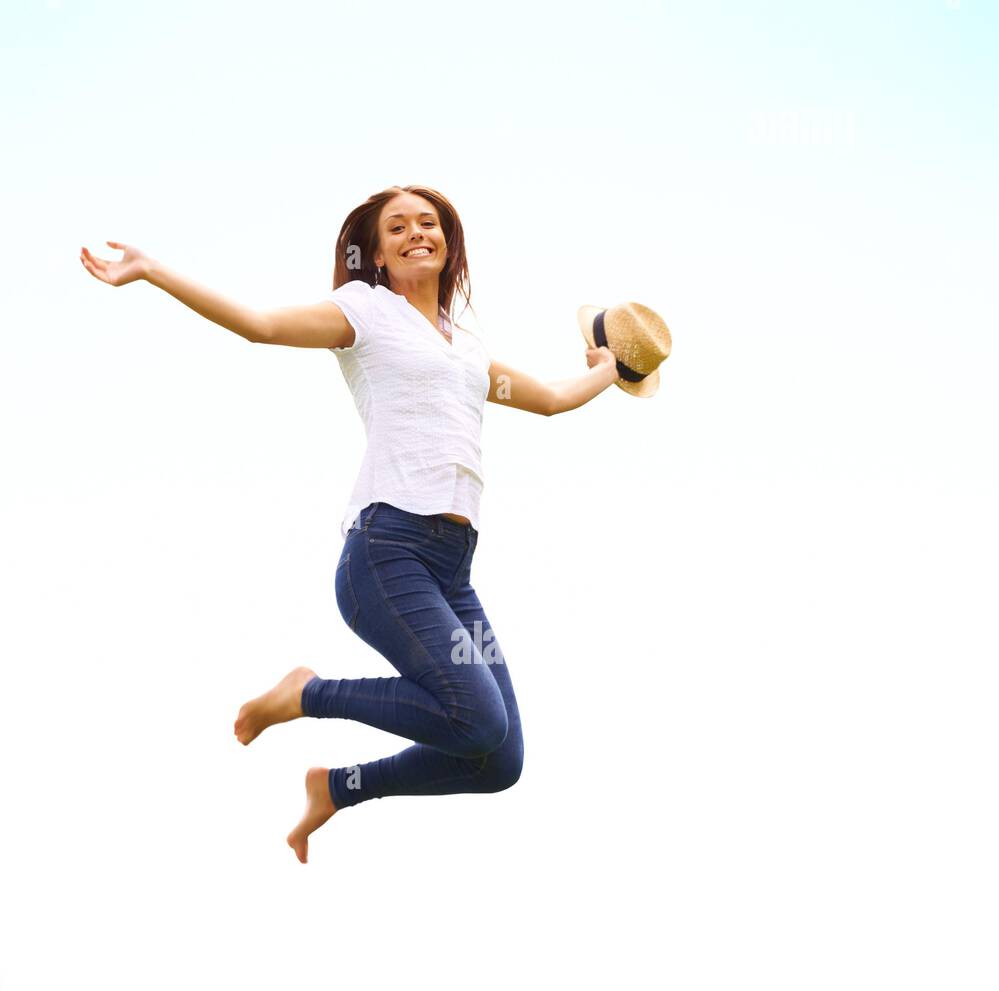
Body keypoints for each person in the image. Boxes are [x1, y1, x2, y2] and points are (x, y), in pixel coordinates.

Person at [79, 183, 619, 862]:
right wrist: (152, 270)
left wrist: (606, 370)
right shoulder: (363, 312)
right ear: (378, 252)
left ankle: (337, 788)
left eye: (429, 222)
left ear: (449, 243)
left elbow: (547, 399)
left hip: (452, 572)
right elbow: (260, 324)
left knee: (499, 757)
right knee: (476, 717)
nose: (416, 232)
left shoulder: (467, 352)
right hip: (388, 554)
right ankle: (307, 694)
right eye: (398, 227)